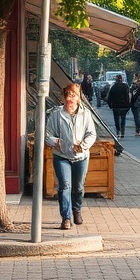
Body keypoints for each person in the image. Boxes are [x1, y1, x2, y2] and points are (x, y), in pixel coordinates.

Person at [44, 82, 98, 230]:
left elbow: (92, 134)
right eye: (68, 94)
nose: (70, 98)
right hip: (61, 156)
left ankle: (77, 209)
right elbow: (47, 134)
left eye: (73, 95)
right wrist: (56, 142)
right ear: (63, 97)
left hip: (81, 156)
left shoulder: (85, 114)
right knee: (65, 186)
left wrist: (84, 145)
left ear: (78, 97)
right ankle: (66, 217)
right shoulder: (56, 114)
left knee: (78, 187)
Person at [104, 74, 130, 139]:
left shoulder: (113, 87)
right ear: (122, 79)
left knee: (116, 119)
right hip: (124, 106)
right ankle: (122, 132)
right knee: (123, 119)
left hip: (115, 106)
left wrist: (110, 105)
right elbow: (127, 96)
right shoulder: (125, 86)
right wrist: (128, 105)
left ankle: (118, 131)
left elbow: (109, 97)